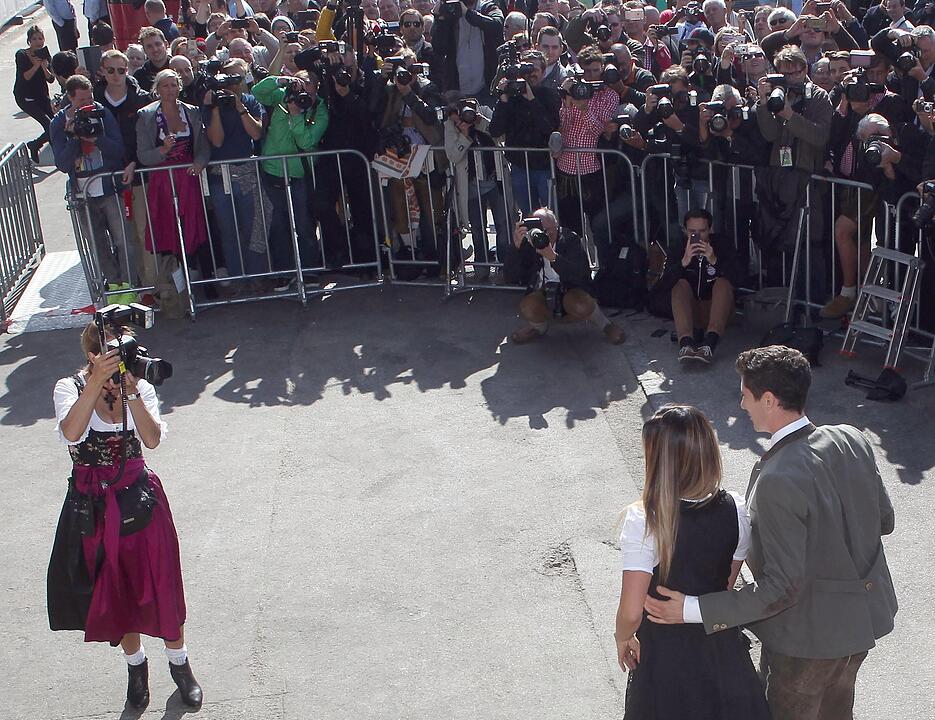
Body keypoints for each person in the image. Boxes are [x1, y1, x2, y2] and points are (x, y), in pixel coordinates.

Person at [645, 345, 898, 720]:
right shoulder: (851, 438)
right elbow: (884, 521)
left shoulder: (776, 479)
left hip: (806, 644)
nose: (741, 404)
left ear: (768, 399)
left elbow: (781, 588)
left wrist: (693, 609)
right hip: (863, 624)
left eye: (745, 395)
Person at [48, 322, 202, 710]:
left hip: (139, 500)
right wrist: (96, 382)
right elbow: (71, 432)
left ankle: (180, 665)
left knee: (160, 582)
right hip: (94, 508)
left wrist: (131, 392)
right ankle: (136, 668)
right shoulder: (68, 388)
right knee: (118, 591)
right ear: (92, 356)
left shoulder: (139, 387)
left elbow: (150, 439)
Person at [615, 405, 769, 719]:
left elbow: (632, 610)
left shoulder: (646, 519)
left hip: (665, 659)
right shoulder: (735, 508)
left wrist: (623, 637)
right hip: (720, 649)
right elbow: (725, 585)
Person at [50, 74, 138, 294]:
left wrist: (96, 139)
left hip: (110, 190)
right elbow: (61, 163)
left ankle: (129, 287)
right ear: (70, 98)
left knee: (123, 242)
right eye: (81, 101)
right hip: (84, 196)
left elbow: (118, 150)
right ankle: (114, 288)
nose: (87, 105)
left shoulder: (101, 112)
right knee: (99, 248)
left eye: (89, 98)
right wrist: (73, 139)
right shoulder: (59, 123)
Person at [136, 69, 211, 310]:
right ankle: (176, 288)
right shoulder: (147, 116)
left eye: (174, 85)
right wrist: (163, 150)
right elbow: (143, 155)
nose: (170, 90)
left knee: (194, 227)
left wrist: (199, 163)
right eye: (165, 86)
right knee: (168, 230)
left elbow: (203, 146)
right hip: (162, 180)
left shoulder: (192, 112)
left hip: (188, 178)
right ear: (157, 89)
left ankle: (205, 283)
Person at [252, 70, 329, 290]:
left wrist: (296, 116)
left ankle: (310, 270)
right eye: (300, 83)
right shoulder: (283, 95)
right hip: (272, 170)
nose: (303, 88)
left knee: (304, 223)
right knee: (277, 224)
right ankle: (284, 272)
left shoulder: (320, 110)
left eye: (307, 84)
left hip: (299, 173)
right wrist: (282, 81)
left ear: (316, 86)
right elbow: (258, 92)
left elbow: (307, 141)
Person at [504, 207, 626, 344]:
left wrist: (553, 257)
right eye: (539, 230)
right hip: (543, 291)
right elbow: (511, 277)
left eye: (548, 229)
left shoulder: (570, 239)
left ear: (557, 226)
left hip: (572, 290)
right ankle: (538, 327)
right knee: (528, 307)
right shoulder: (528, 244)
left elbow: (580, 275)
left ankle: (605, 324)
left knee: (581, 304)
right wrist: (515, 249)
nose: (544, 235)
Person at [656, 209, 740, 365]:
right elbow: (662, 286)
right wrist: (683, 262)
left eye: (702, 231)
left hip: (718, 310)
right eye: (692, 232)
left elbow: (738, 280)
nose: (697, 236)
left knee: (722, 283)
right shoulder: (678, 247)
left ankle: (709, 345)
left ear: (710, 230)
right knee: (679, 284)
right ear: (685, 231)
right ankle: (686, 344)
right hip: (692, 312)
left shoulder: (723, 244)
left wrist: (715, 260)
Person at [14, 25, 56, 162]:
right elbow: (25, 77)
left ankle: (35, 144)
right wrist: (36, 65)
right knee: (47, 124)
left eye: (40, 38)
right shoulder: (21, 55)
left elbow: (51, 79)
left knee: (55, 124)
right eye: (35, 39)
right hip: (25, 97)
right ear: (29, 41)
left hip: (42, 95)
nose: (38, 41)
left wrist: (44, 66)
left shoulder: (44, 55)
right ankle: (57, 152)